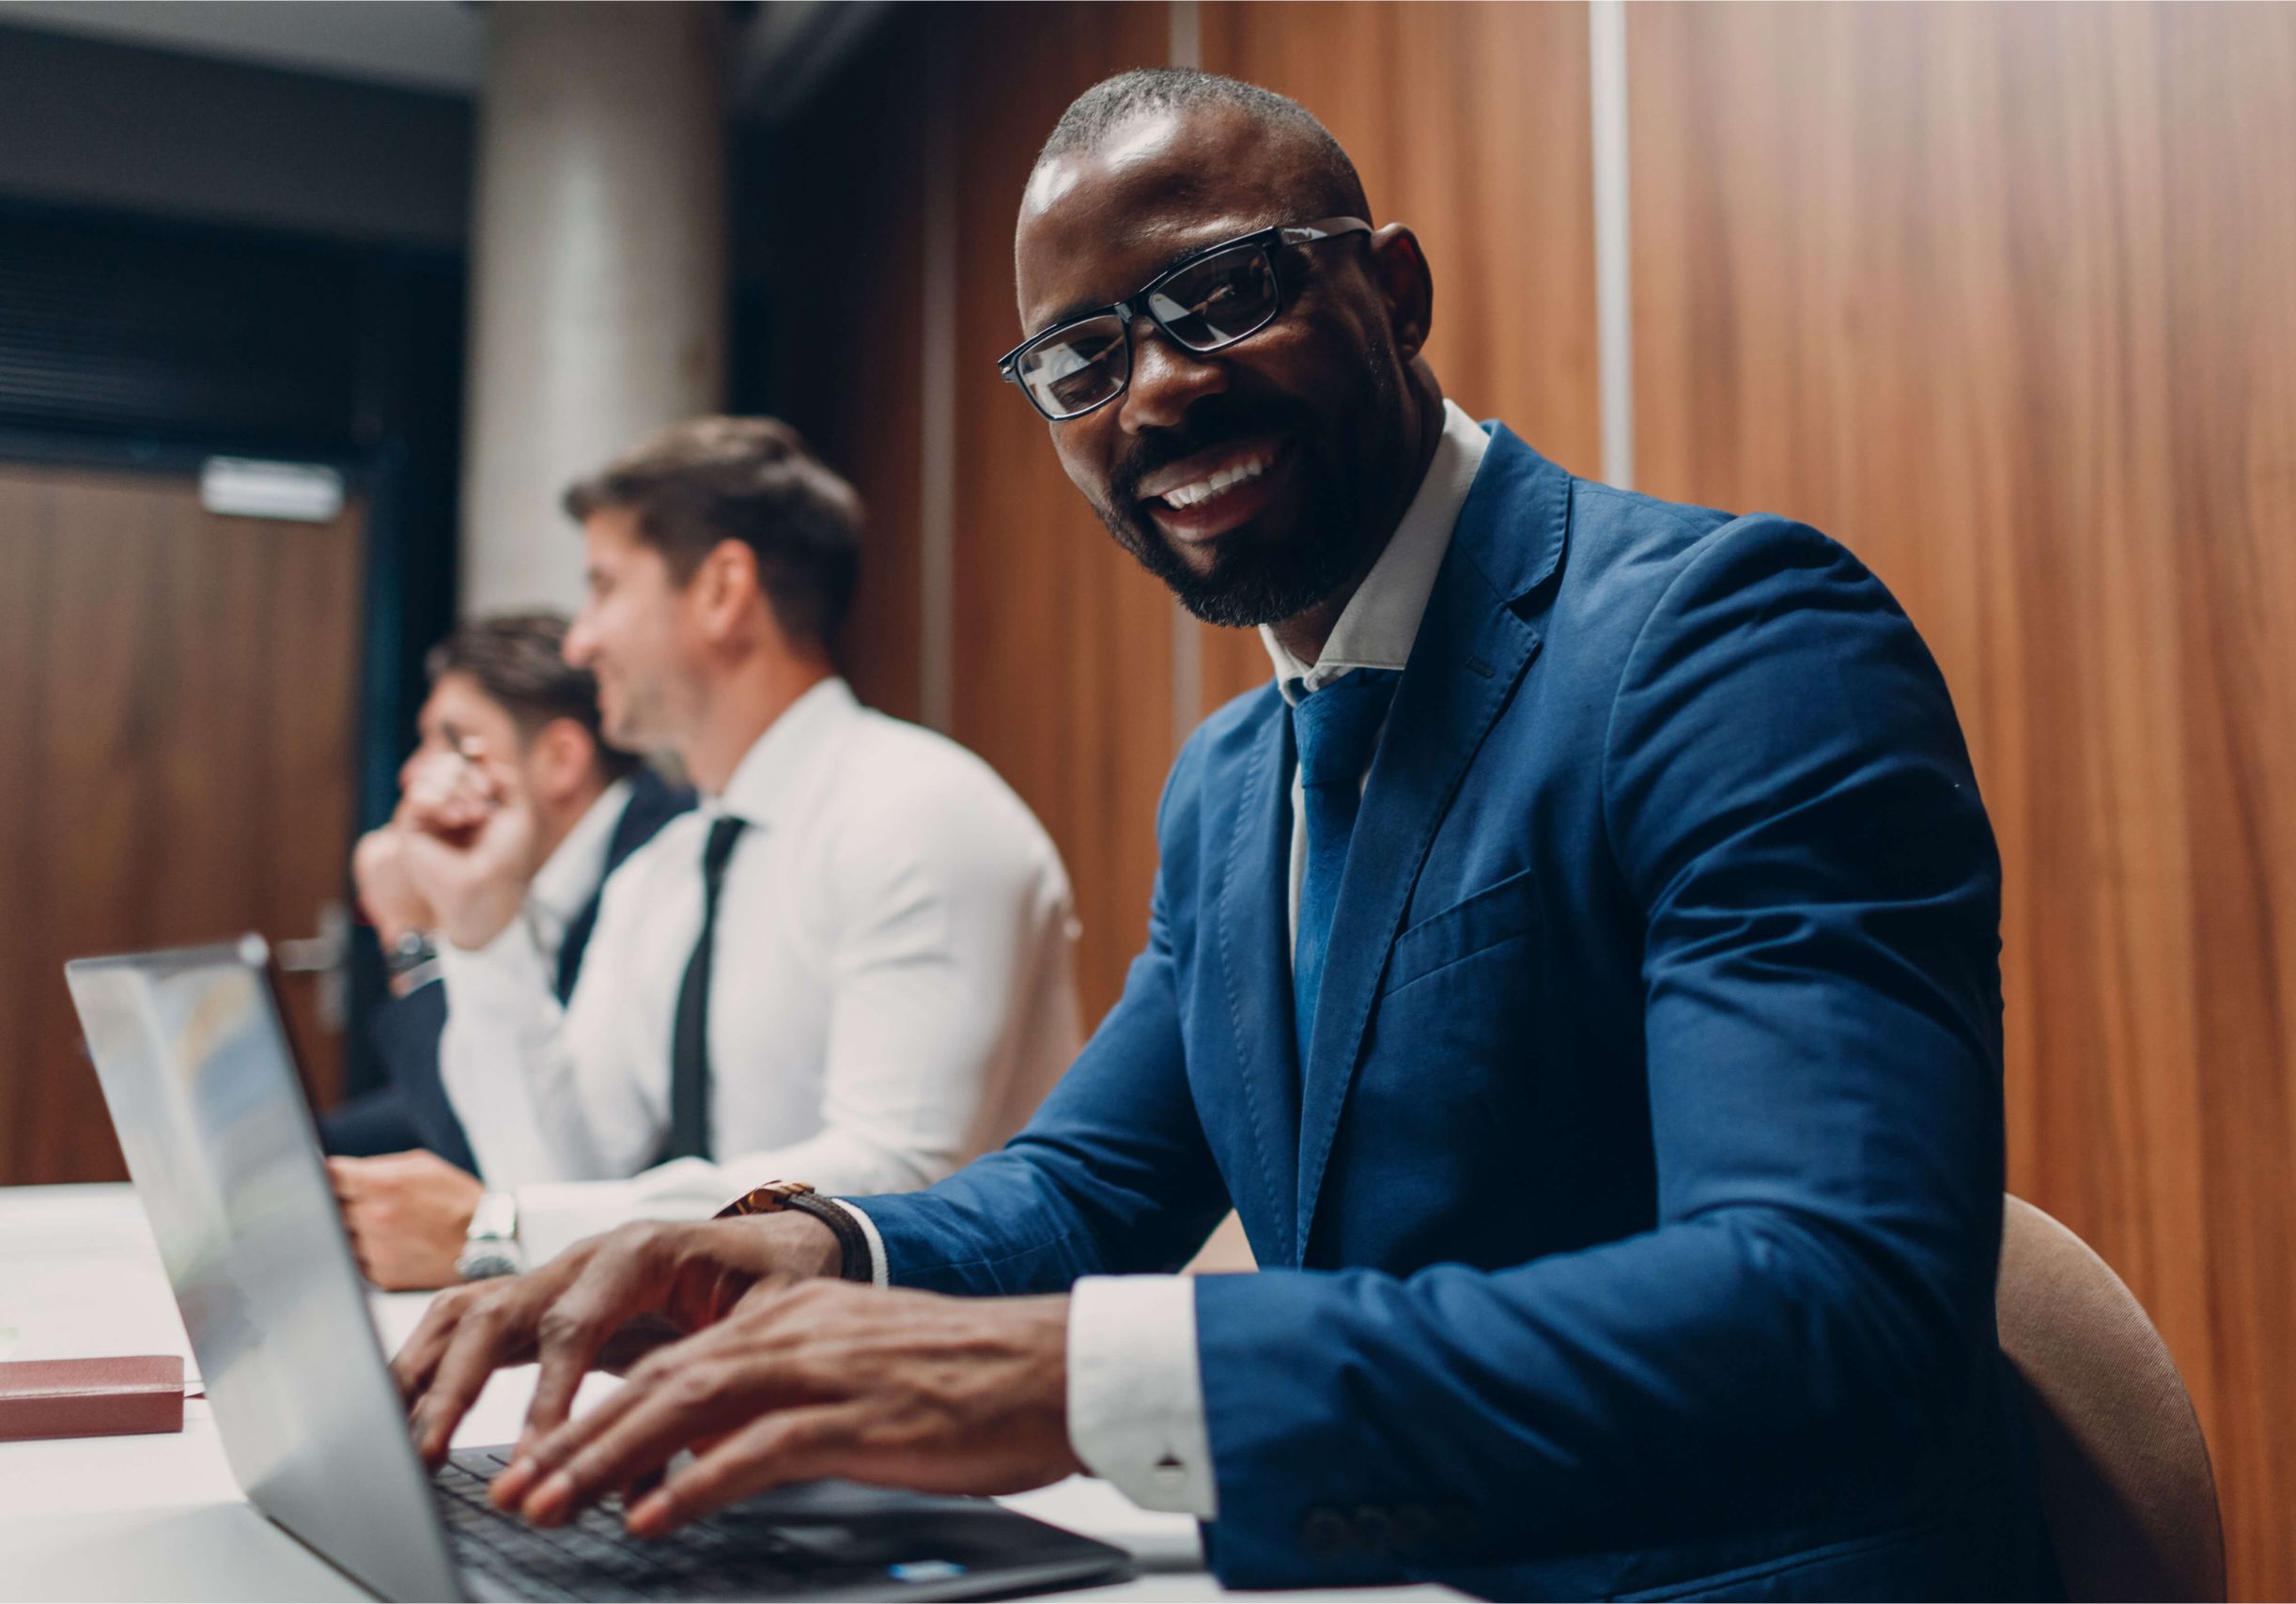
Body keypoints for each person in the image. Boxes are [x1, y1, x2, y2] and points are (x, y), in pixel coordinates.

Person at [393, 71, 2061, 1599]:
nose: (1160, 390)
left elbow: (1829, 1298)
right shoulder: (1229, 781)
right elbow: (1088, 1183)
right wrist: (800, 1246)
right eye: (1081, 359)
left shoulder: (1732, 639)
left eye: (1227, 292)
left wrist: (1090, 1377)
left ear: (1394, 292)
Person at [340, 416, 1083, 1293]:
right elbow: (562, 1169)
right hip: (739, 1356)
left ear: (723, 590)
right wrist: (481, 925)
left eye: (605, 587)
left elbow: (895, 1180)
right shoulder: (665, 870)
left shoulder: (919, 811)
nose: (580, 642)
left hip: (940, 1362)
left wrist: (511, 1228)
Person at [322, 614, 692, 1282]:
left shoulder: (663, 873)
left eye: (450, 742)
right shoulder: (562, 870)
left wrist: (414, 937)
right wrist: (302, 1157)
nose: (412, 773)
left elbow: (484, 1154)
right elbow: (481, 1089)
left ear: (561, 760)